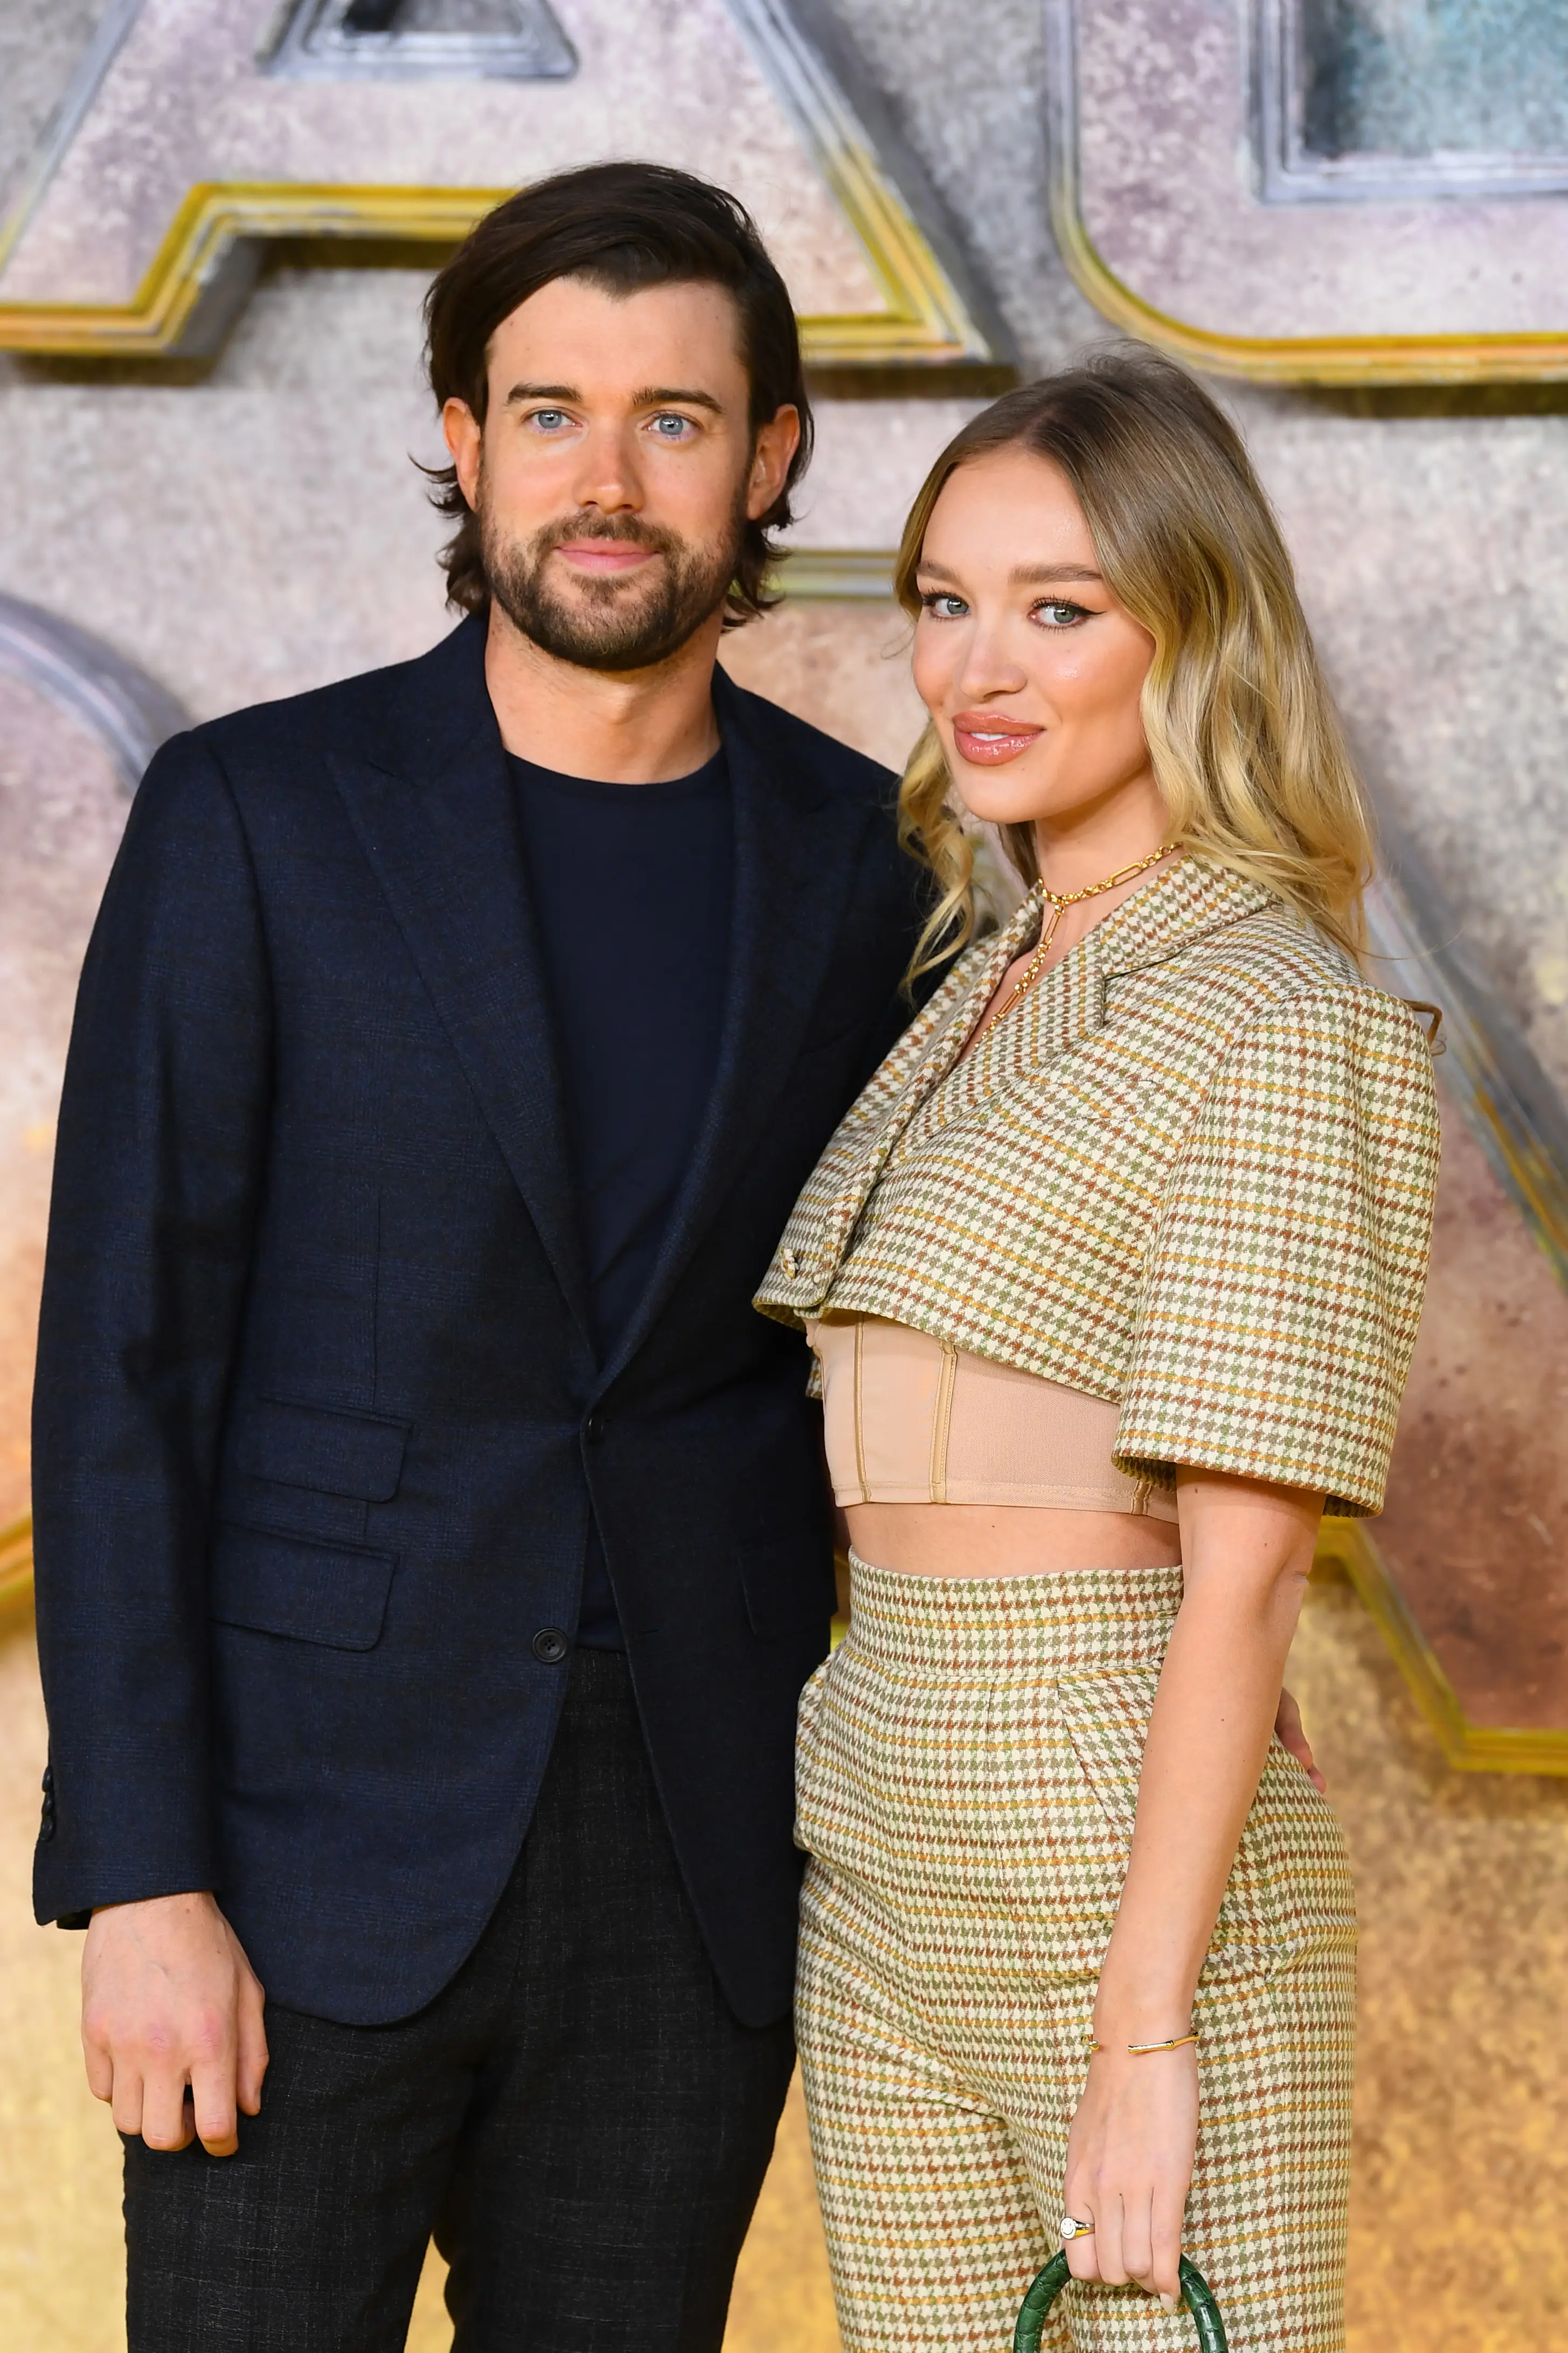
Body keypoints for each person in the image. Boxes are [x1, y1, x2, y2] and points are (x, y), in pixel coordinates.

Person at [29, 162, 931, 2352]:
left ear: (772, 454)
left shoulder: (861, 860)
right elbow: (123, 1359)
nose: (606, 480)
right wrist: (143, 1871)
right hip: (294, 1851)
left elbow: (923, 1324)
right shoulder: (256, 814)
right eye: (548, 411)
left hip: (693, 1858)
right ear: (460, 435)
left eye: (675, 417)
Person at [755, 351, 1440, 2351]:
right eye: (946, 599)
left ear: (1193, 631)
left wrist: (1145, 2030)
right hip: (874, 1800)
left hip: (1107, 1825)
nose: (980, 661)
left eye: (1058, 608)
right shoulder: (974, 976)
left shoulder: (1273, 1007)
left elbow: (1244, 1568)